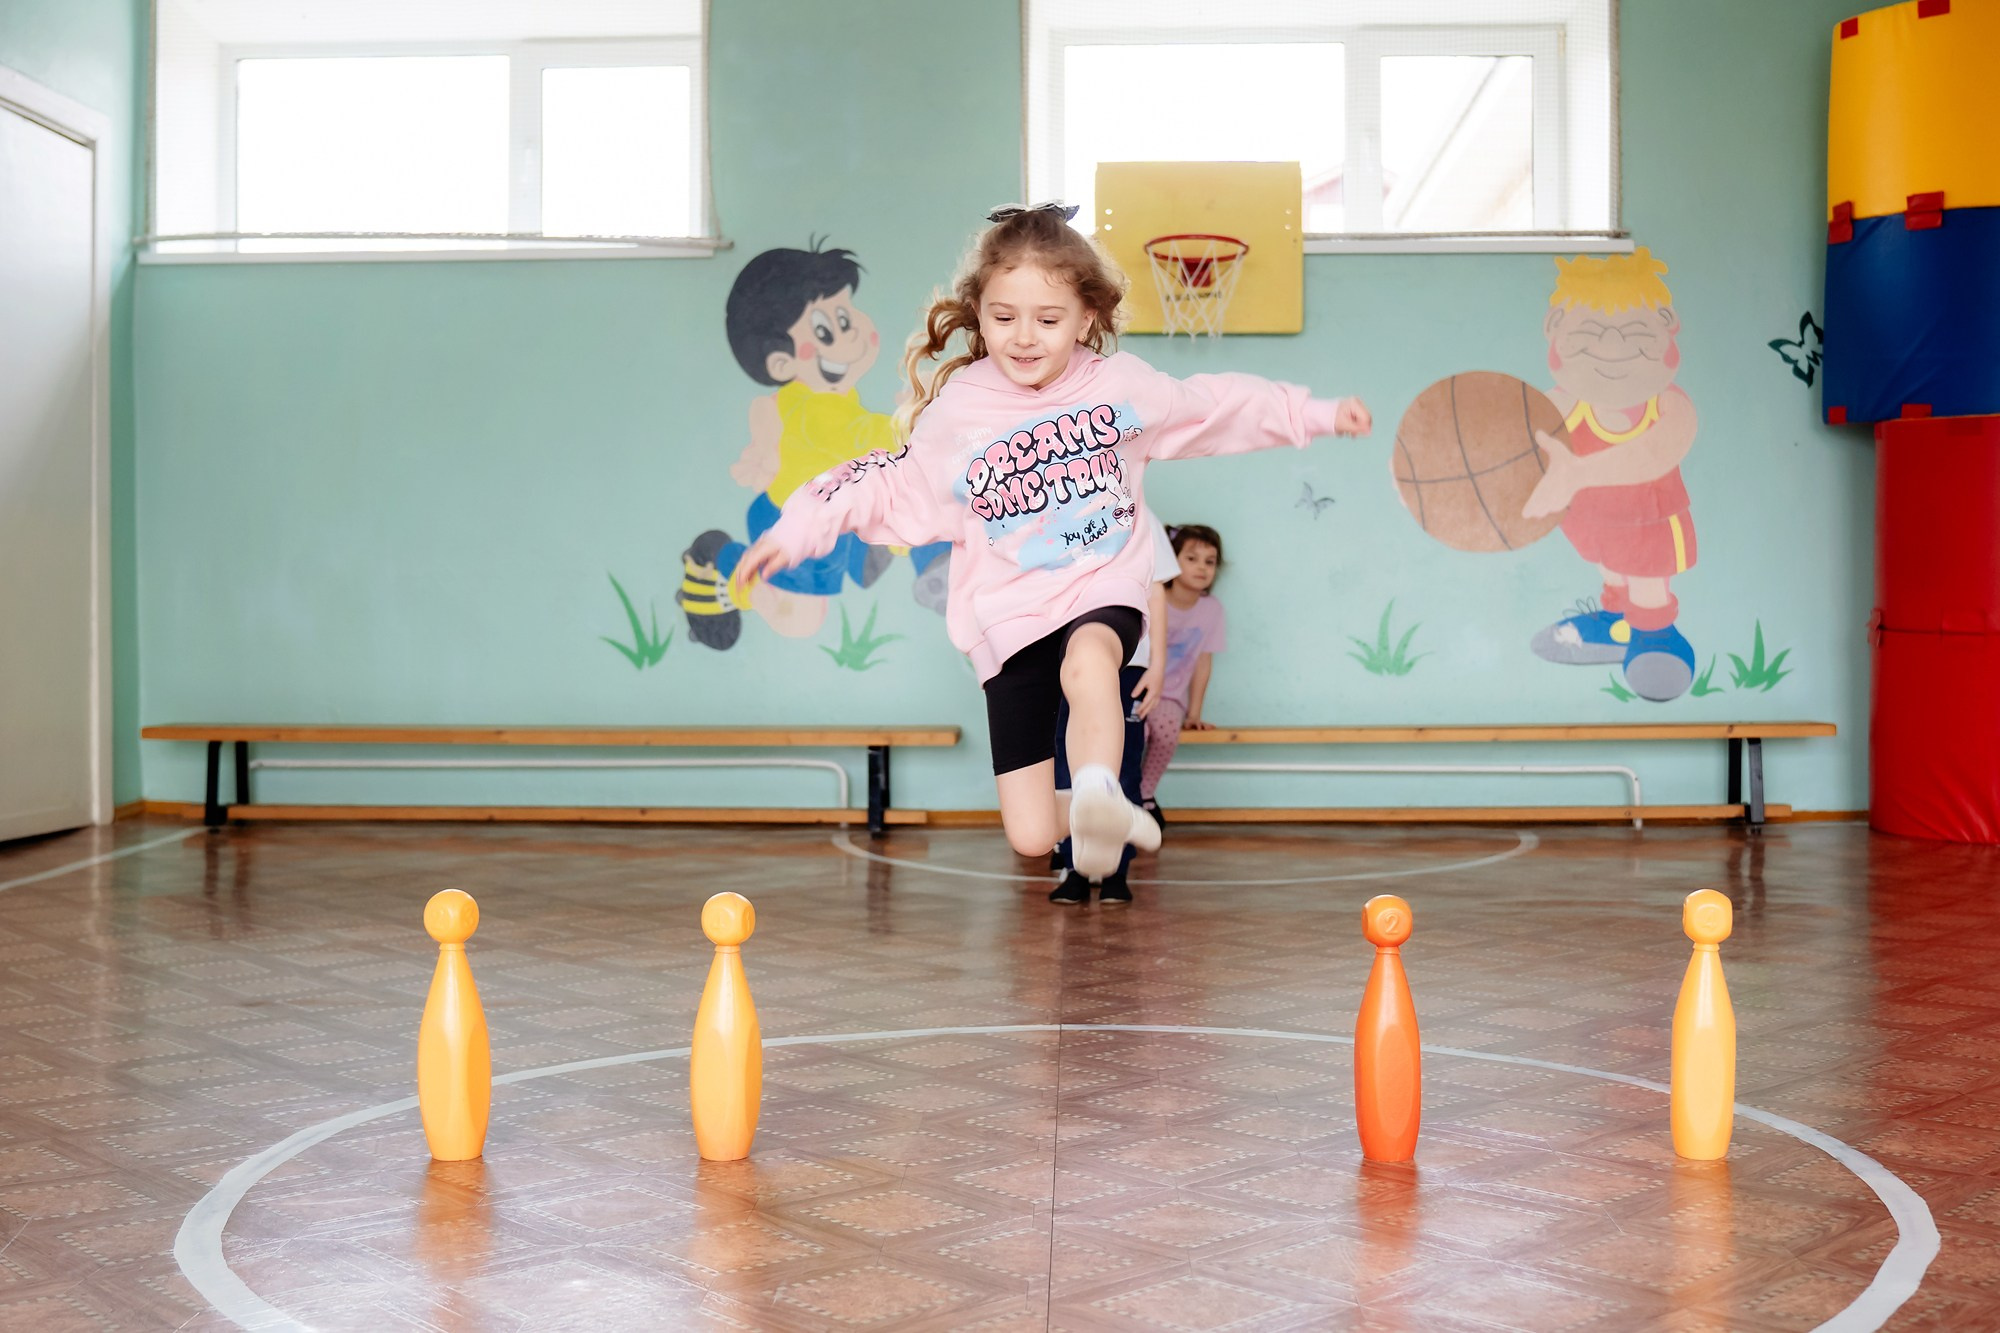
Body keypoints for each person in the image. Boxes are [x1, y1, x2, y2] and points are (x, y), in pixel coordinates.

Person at [736, 203, 1370, 880]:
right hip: (1008, 614)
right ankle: (1096, 817)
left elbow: (1214, 406)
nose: (1025, 338)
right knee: (1032, 837)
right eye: (1004, 317)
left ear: (1087, 317)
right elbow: (889, 482)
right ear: (979, 313)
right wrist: (799, 524)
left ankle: (1102, 787)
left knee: (1091, 660)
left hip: (1101, 580)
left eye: (1048, 319)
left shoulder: (1120, 389)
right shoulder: (961, 411)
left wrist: (1314, 414)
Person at [1048, 516, 1176, 905]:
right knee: (1067, 765)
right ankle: (1074, 868)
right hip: (1066, 659)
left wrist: (1156, 666)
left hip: (1127, 662)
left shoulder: (1140, 514)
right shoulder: (1050, 511)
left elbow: (1155, 591)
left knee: (1123, 766)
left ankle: (1118, 871)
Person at [1139, 524, 1227, 821]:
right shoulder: (1152, 600)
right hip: (1136, 688)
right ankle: (1120, 797)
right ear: (1170, 559)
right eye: (1191, 558)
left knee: (1163, 731)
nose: (1202, 567)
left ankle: (1145, 794)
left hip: (1170, 697)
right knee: (1135, 732)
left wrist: (1194, 713)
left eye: (1210, 561)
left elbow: (1203, 663)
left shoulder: (1211, 610)